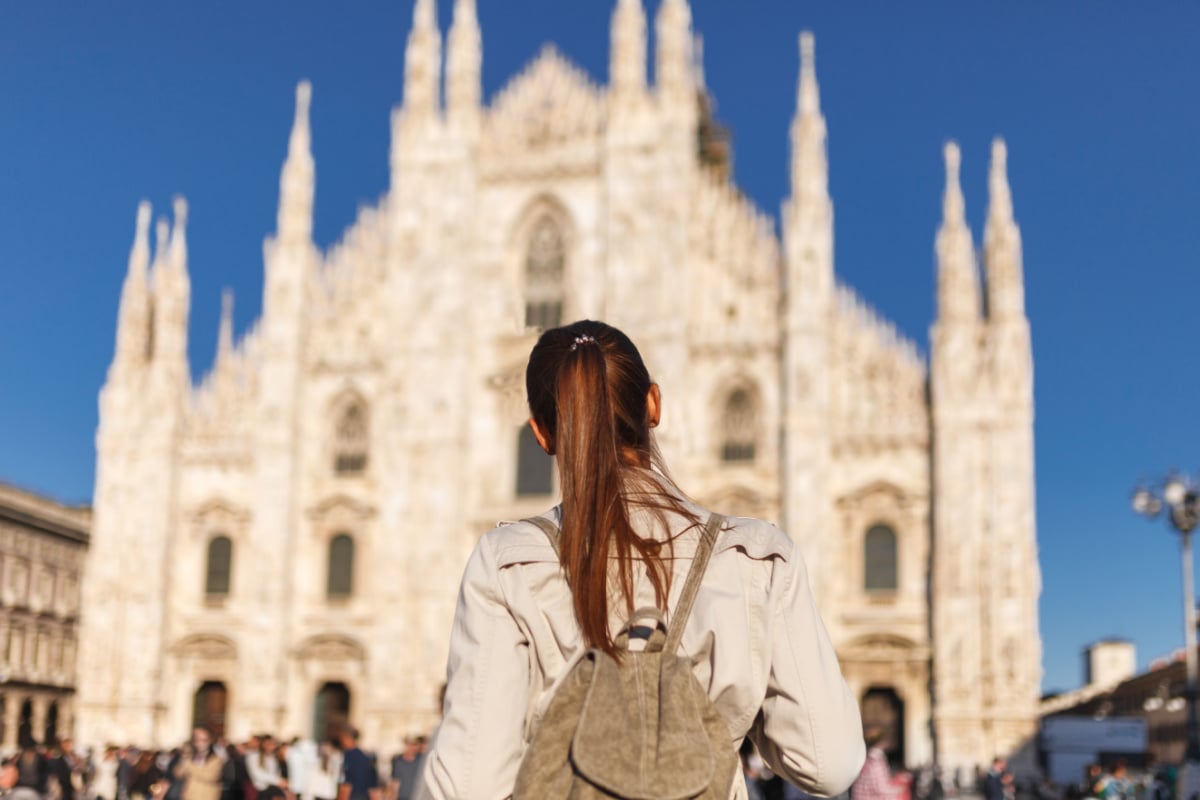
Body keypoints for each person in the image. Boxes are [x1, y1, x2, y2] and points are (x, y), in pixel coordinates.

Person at [416, 320, 865, 799]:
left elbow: (468, 785)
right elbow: (830, 764)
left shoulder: (508, 564)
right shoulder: (758, 557)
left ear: (542, 434)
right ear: (653, 404)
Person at [174, 728, 225, 800]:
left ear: (210, 741)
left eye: (204, 740)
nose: (201, 743)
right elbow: (178, 774)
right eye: (197, 740)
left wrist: (190, 766)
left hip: (207, 797)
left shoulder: (216, 759)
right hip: (189, 796)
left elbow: (211, 776)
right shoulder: (191, 757)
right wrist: (185, 758)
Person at [852, 729, 899, 800]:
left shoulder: (866, 759)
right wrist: (900, 790)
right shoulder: (876, 762)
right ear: (883, 742)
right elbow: (881, 789)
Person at [336, 729, 377, 800]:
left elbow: (346, 782)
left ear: (348, 738)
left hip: (352, 796)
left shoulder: (348, 756)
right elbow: (373, 786)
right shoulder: (365, 757)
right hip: (364, 796)